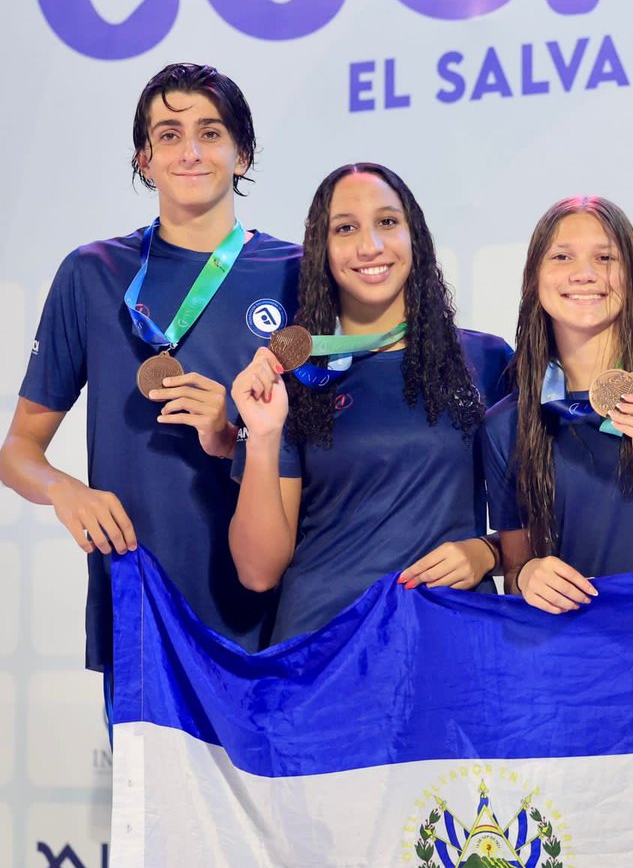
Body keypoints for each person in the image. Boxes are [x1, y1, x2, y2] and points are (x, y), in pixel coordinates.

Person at [0, 63, 300, 677]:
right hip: (137, 602)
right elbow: (18, 452)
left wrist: (235, 433)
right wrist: (66, 491)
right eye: (168, 134)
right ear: (144, 160)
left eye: (211, 133)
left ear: (242, 155)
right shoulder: (92, 273)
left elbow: (329, 449)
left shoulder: (297, 273)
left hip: (274, 610)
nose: (189, 151)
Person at [228, 162, 511, 643]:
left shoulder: (485, 361)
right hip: (325, 651)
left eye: (387, 222)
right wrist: (263, 435)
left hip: (450, 643)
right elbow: (258, 572)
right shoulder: (291, 379)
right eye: (346, 228)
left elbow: (543, 521)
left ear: (414, 236)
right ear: (322, 249)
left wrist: (487, 554)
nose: (370, 246)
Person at [482, 195, 633, 613]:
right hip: (582, 657)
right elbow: (516, 567)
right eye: (561, 257)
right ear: (534, 278)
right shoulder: (506, 424)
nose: (584, 274)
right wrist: (526, 575)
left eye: (605, 257)